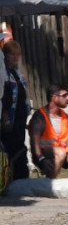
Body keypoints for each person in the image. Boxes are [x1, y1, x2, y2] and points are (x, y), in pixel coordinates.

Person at [1, 39, 30, 179]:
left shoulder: (17, 72)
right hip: (9, 119)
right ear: (5, 55)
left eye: (17, 54)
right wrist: (6, 118)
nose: (15, 57)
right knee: (12, 147)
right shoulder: (3, 74)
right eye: (12, 54)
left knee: (20, 145)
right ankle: (12, 177)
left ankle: (21, 178)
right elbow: (4, 98)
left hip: (20, 117)